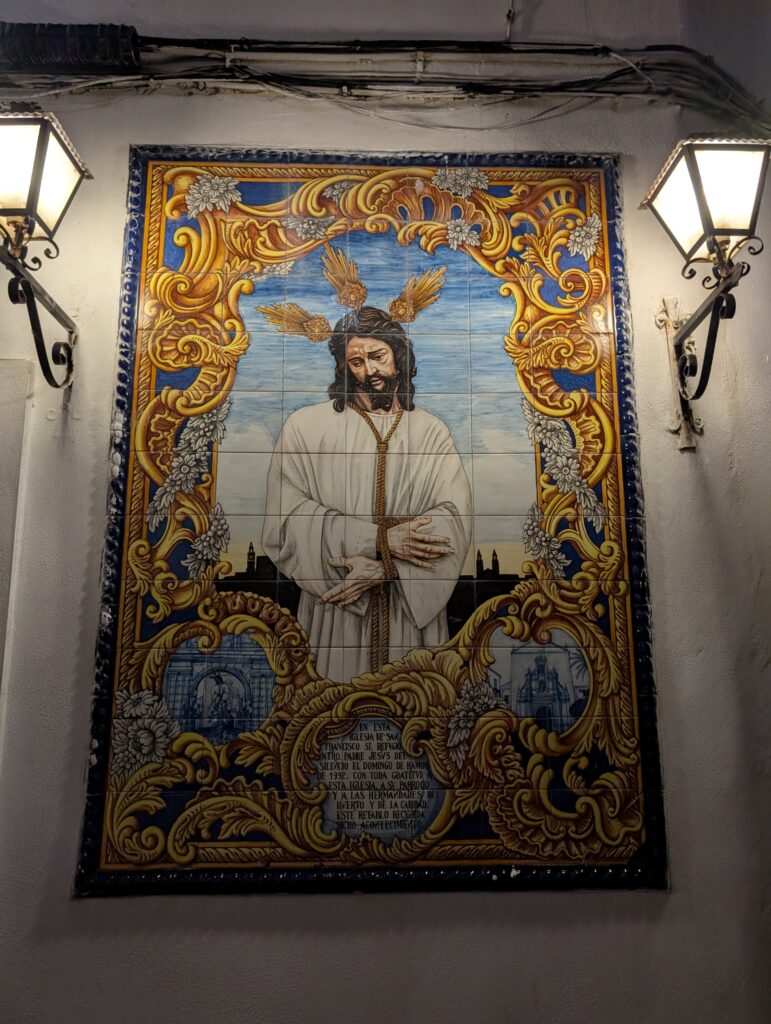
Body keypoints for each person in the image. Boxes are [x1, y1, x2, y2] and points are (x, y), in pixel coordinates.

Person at [262, 305, 472, 682]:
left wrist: (386, 568)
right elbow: (284, 520)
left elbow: (453, 518)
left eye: (377, 356)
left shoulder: (431, 432)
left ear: (399, 358)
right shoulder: (305, 427)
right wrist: (378, 540)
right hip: (338, 608)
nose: (369, 371)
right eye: (356, 362)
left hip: (408, 613)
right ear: (343, 368)